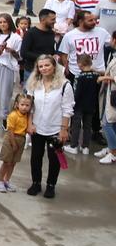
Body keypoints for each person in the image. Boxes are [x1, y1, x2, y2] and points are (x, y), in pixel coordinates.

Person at [24, 54, 74, 199]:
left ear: (54, 66)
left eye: (47, 65)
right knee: (36, 157)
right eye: (41, 66)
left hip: (55, 128)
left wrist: (64, 130)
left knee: (54, 159)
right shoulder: (34, 84)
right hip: (37, 127)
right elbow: (30, 106)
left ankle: (51, 185)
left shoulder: (65, 85)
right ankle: (36, 183)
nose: (44, 68)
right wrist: (30, 124)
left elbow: (67, 109)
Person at [0, 93, 33, 192]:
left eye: (27, 105)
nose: (24, 107)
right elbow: (10, 131)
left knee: (13, 163)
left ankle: (6, 180)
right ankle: (0, 181)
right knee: (6, 162)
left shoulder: (27, 116)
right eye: (22, 105)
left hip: (21, 138)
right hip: (11, 139)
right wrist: (13, 143)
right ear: (17, 104)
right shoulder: (13, 115)